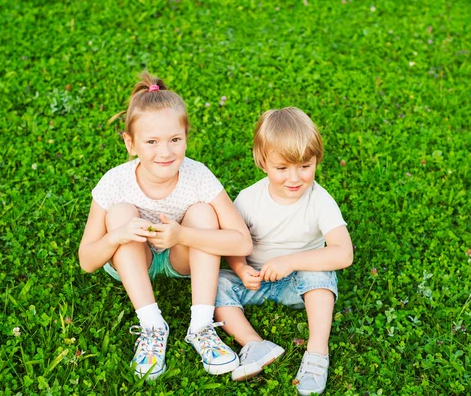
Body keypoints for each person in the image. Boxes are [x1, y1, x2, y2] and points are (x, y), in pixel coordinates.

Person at [78, 71, 252, 380]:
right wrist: (117, 236)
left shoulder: (198, 176)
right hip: (134, 260)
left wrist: (182, 234)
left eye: (175, 139)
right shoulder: (114, 182)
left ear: (186, 137)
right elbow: (87, 261)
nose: (165, 152)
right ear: (130, 144)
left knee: (202, 213)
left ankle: (201, 327)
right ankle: (152, 327)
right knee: (120, 214)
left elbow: (242, 243)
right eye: (152, 141)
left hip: (181, 257)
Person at [214, 107, 353, 395]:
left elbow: (344, 253)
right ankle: (254, 344)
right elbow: (233, 242)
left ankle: (316, 353)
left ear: (317, 160)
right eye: (282, 168)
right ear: (263, 162)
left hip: (299, 285)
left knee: (321, 272)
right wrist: (240, 268)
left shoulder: (320, 200)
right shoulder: (249, 199)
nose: (295, 178)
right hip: (256, 279)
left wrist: (291, 261)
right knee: (213, 283)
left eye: (305, 166)